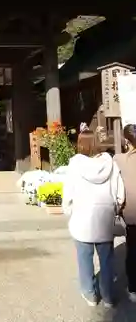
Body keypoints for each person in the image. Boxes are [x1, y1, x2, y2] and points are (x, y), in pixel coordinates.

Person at [62, 130, 125, 308]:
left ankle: (90, 294)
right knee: (106, 259)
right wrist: (117, 206)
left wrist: (68, 209)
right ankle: (108, 296)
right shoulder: (110, 163)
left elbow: (68, 191)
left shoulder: (75, 164)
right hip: (105, 218)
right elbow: (119, 190)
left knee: (84, 257)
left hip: (82, 218)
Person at [114, 124, 136, 302]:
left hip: (131, 212)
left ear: (127, 142)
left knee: (133, 249)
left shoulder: (119, 159)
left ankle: (133, 286)